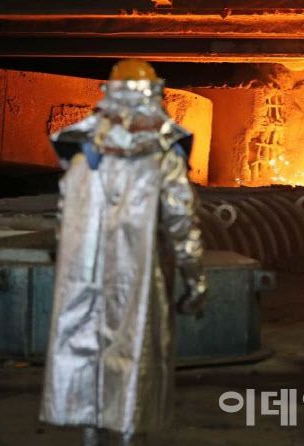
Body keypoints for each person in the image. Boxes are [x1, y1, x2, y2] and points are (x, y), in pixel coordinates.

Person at [39, 59, 206, 445]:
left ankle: (91, 437)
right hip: (139, 276)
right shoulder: (163, 155)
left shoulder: (81, 151)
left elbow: (64, 217)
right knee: (135, 357)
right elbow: (182, 222)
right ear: (154, 96)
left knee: (87, 353)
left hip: (84, 276)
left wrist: (63, 259)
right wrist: (195, 280)